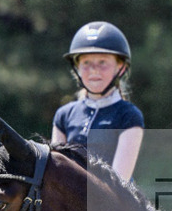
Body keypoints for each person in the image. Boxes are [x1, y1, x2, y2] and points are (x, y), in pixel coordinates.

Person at [51, 20, 144, 182]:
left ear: (120, 68)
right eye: (86, 63)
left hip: (114, 203)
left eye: (102, 62)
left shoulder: (129, 116)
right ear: (77, 68)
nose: (94, 70)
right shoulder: (64, 115)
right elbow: (57, 171)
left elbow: (118, 183)